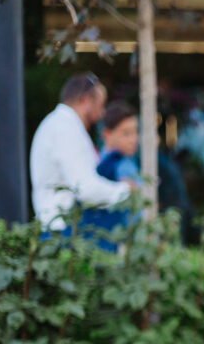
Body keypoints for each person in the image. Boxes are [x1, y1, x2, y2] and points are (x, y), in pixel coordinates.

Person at [30, 73, 135, 232]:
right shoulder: (65, 129)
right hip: (61, 231)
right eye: (101, 104)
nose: (102, 112)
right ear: (85, 100)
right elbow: (85, 188)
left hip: (58, 229)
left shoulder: (60, 124)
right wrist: (125, 190)